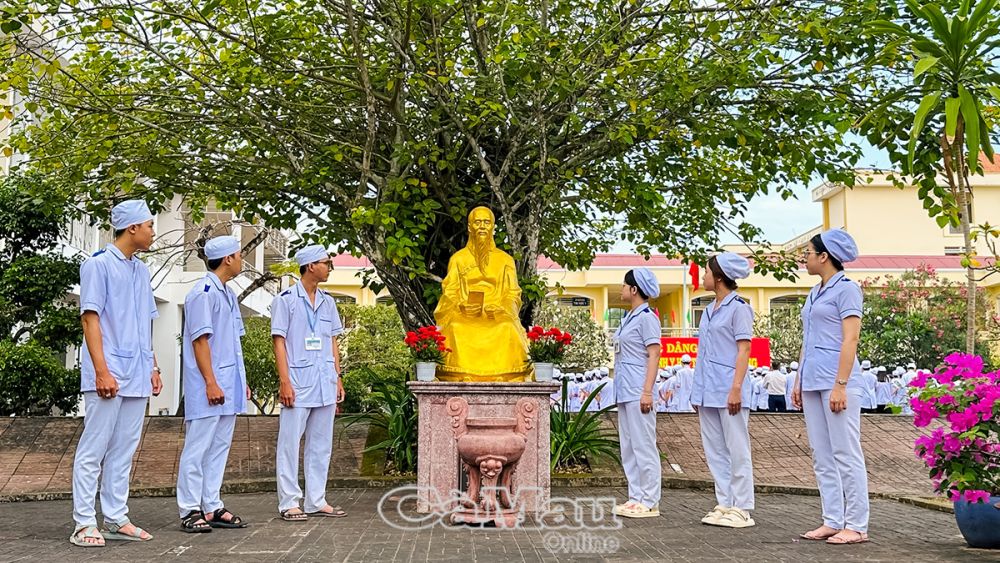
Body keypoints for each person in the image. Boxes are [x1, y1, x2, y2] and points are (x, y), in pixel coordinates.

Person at [71, 200, 162, 548]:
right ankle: (83, 522)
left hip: (137, 372)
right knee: (94, 448)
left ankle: (115, 517)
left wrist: (153, 366)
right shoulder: (97, 266)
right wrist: (101, 371)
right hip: (108, 373)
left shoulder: (140, 270)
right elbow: (89, 318)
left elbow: (145, 323)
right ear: (132, 228)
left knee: (124, 449)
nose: (153, 232)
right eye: (150, 225)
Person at [791, 229, 870, 544]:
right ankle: (833, 519)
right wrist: (798, 380)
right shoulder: (814, 292)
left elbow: (850, 338)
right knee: (821, 454)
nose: (805, 257)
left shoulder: (847, 290)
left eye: (808, 252)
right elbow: (808, 340)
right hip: (812, 380)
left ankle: (857, 525)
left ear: (824, 256)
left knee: (845, 452)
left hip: (838, 382)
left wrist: (840, 384)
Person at [176, 236, 249, 533]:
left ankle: (211, 504)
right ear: (228, 259)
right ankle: (189, 509)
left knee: (219, 446)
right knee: (198, 447)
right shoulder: (202, 293)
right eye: (239, 254)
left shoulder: (228, 295)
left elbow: (233, 345)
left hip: (228, 383)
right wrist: (210, 382)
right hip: (210, 385)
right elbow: (200, 341)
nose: (241, 259)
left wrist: (240, 381)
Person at [272, 245, 346, 521]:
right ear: (311, 266)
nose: (329, 268)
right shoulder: (286, 300)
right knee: (289, 443)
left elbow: (332, 341)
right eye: (326, 263)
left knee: (321, 444)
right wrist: (284, 381)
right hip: (298, 380)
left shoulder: (328, 301)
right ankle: (289, 502)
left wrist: (337, 377)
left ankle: (316, 499)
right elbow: (279, 341)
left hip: (324, 380)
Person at [690, 252, 756, 528]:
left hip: (730, 387)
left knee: (737, 447)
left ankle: (742, 506)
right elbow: (704, 353)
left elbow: (744, 349)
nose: (703, 277)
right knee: (715, 448)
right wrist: (697, 391)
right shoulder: (708, 310)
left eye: (706, 272)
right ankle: (725, 501)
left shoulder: (739, 308)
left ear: (718, 278)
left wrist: (736, 388)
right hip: (708, 389)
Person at [433, 207, 531, 381]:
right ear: (470, 227)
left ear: (493, 226)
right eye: (477, 222)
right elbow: (450, 291)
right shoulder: (458, 259)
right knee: (456, 326)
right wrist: (459, 305)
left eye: (486, 222)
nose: (482, 227)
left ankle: (506, 373)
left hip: (497, 314)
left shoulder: (505, 260)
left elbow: (513, 293)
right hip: (466, 314)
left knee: (507, 326)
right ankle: (461, 373)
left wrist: (503, 307)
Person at [612, 268, 663, 518]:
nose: (621, 288)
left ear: (634, 290)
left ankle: (650, 498)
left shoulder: (647, 318)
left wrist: (647, 392)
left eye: (624, 285)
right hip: (624, 388)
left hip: (638, 389)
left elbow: (654, 354)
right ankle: (635, 496)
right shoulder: (628, 317)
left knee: (644, 445)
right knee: (629, 446)